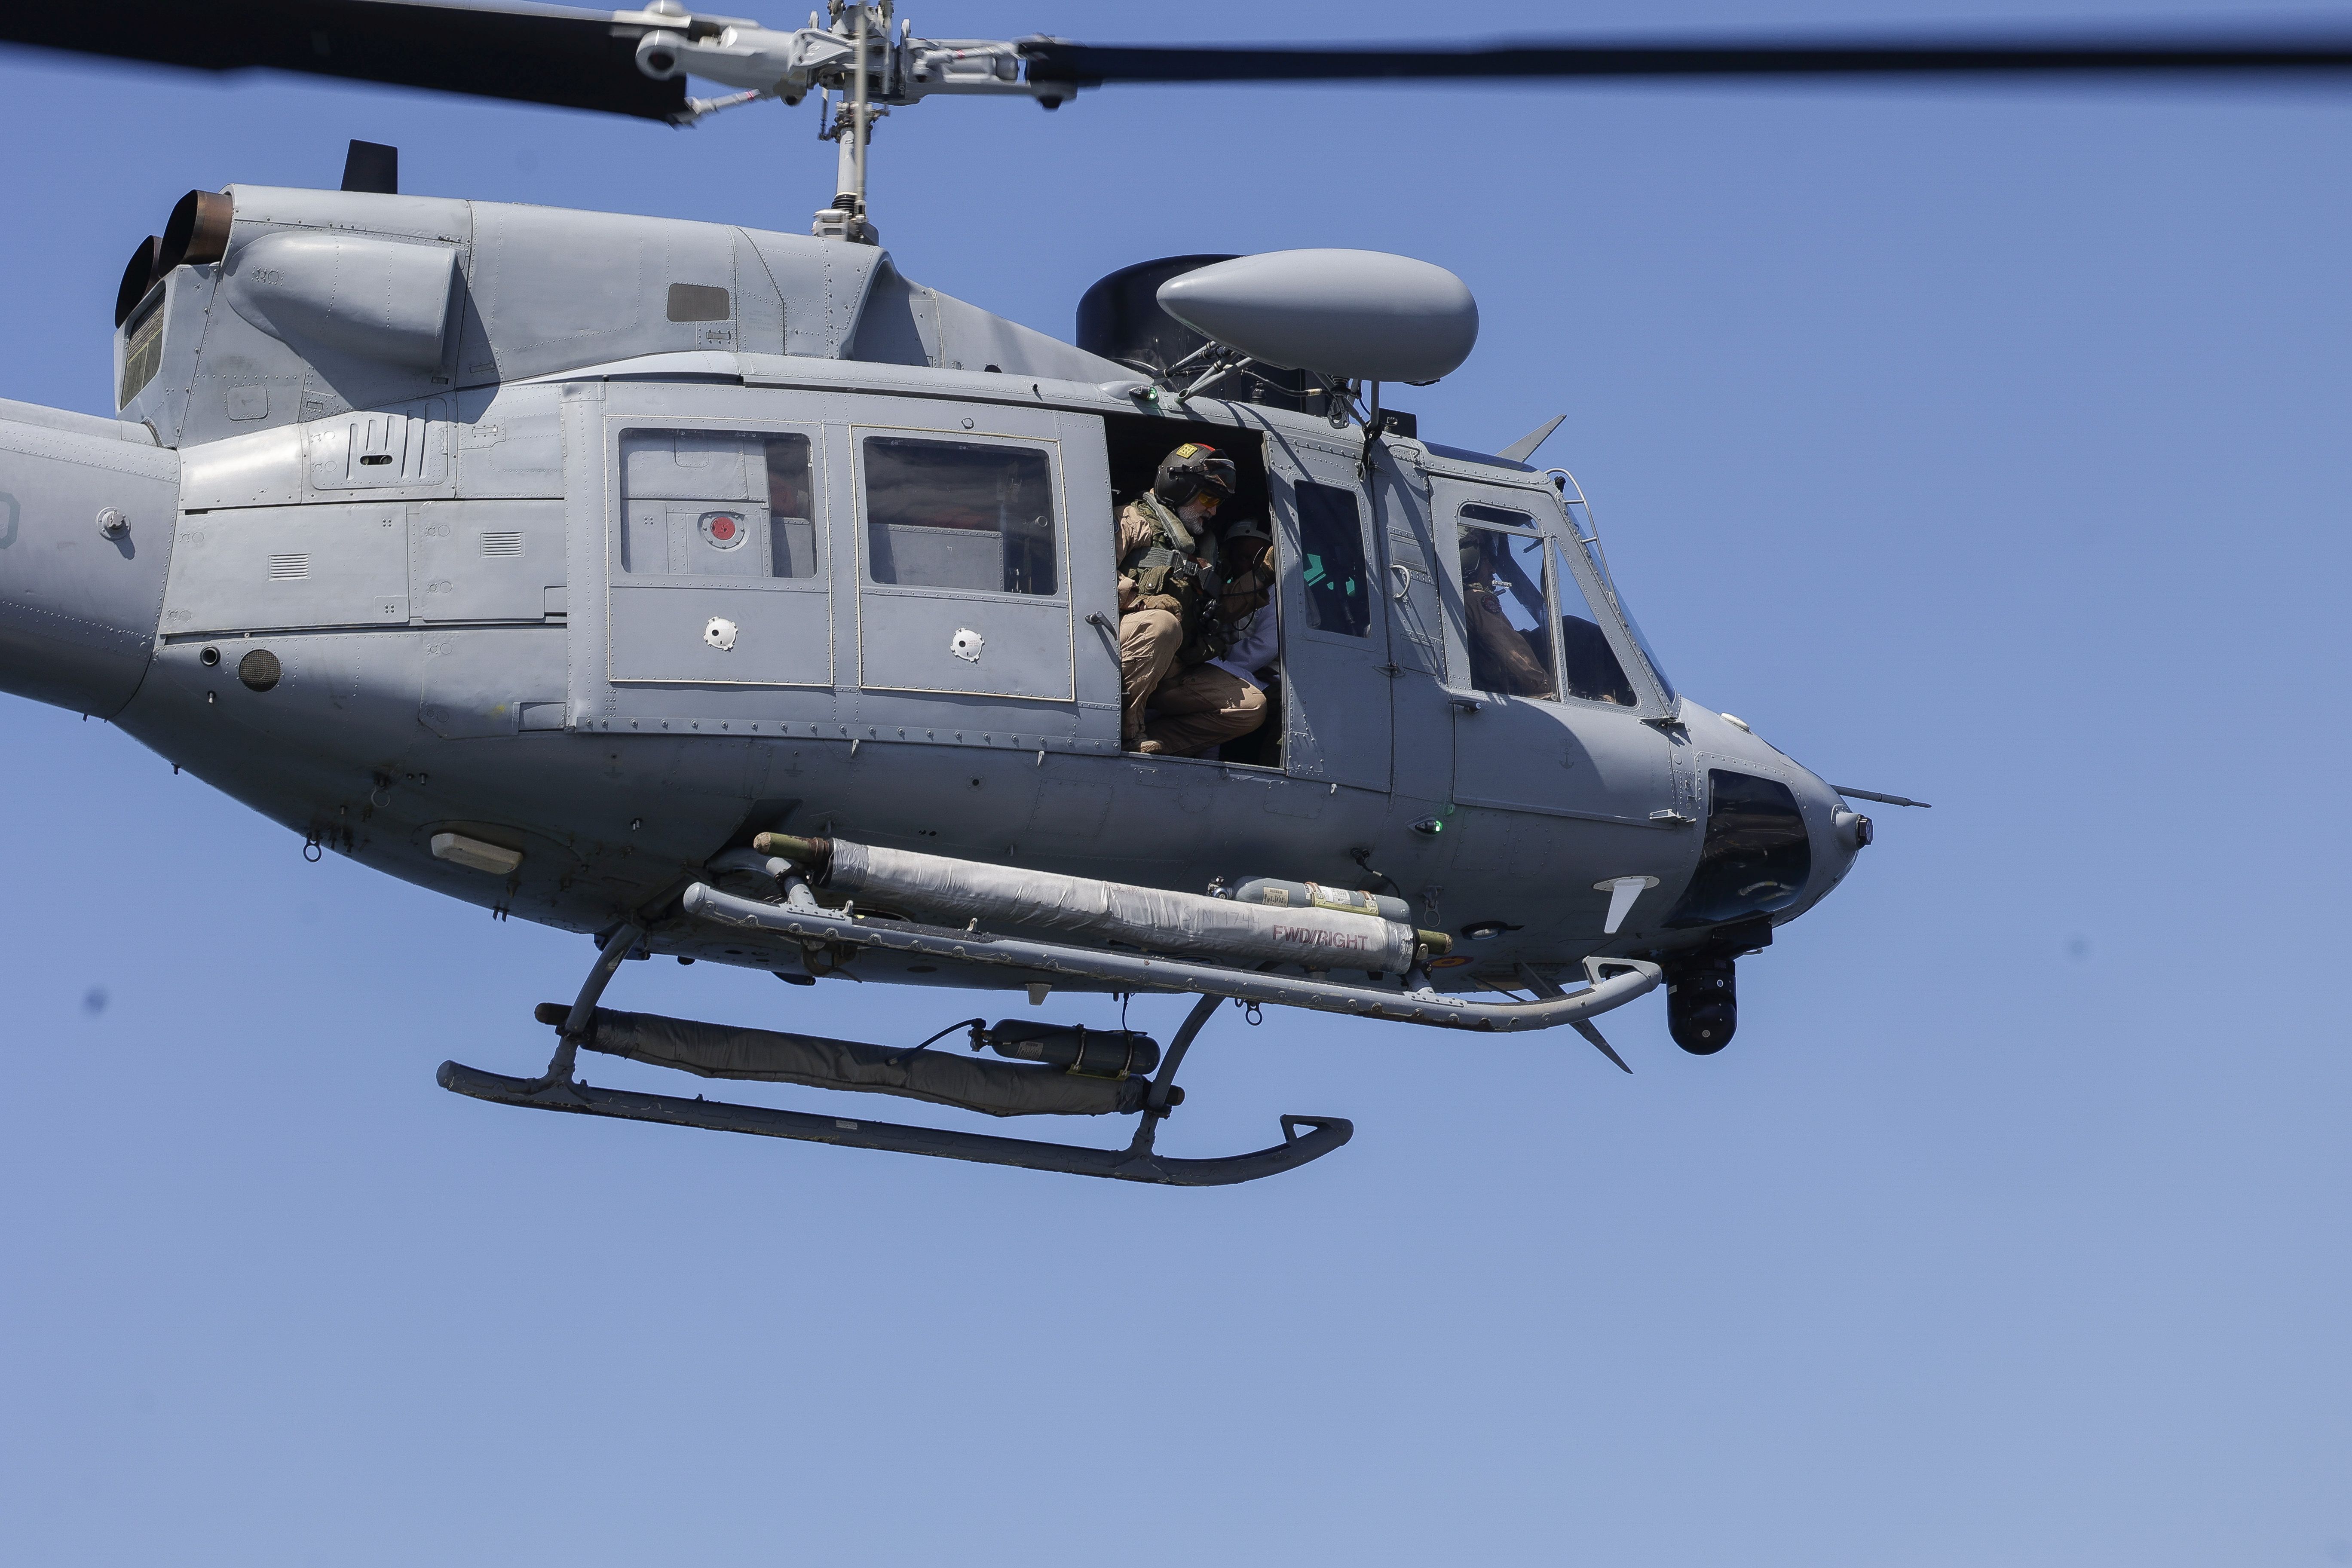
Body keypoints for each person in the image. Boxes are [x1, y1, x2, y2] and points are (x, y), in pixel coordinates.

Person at [1118, 443, 1236, 751]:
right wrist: (1140, 602)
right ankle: (1127, 731)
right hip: (1124, 651)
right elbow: (1084, 577)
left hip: (1173, 665)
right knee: (1161, 624)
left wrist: (1262, 576)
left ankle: (1154, 744)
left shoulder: (1201, 548)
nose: (1212, 511)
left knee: (1249, 707)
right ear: (1180, 487)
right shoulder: (1131, 521)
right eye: (1208, 498)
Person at [1144, 518, 1278, 757]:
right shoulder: (1222, 591)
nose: (1253, 565)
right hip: (1235, 667)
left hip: (1270, 676)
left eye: (1259, 558)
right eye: (1244, 558)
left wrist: (1214, 663)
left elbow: (1265, 647)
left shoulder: (1277, 594)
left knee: (1239, 702)